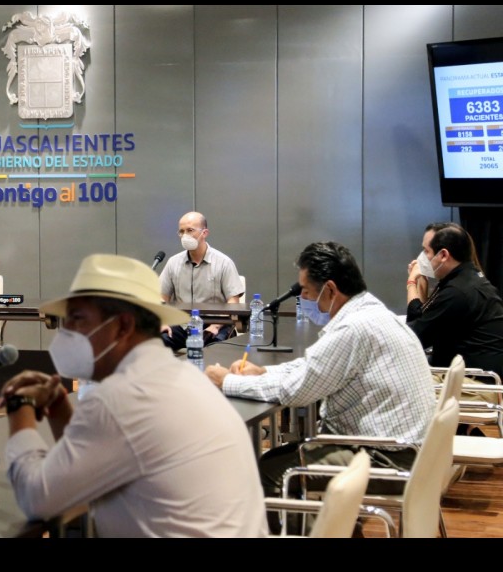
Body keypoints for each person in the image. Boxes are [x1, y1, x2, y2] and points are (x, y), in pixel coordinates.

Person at [0, 254, 267, 538]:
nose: (65, 332)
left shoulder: (121, 397)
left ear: (123, 326)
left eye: (77, 319)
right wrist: (58, 406)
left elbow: (37, 499)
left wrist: (20, 404)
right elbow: (86, 463)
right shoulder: (183, 377)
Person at [204, 241, 435, 534]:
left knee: (272, 471)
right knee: (281, 458)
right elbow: (312, 368)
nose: (302, 298)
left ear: (330, 289)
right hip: (407, 451)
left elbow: (297, 390)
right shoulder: (371, 312)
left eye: (306, 291)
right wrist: (262, 372)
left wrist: (227, 381)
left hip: (388, 459)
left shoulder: (352, 328)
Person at [406, 222, 503, 375]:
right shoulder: (465, 279)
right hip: (464, 373)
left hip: (474, 381)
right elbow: (424, 319)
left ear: (444, 255)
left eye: (426, 251)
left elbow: (414, 337)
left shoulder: (458, 291)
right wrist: (421, 283)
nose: (421, 257)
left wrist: (411, 283)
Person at [159, 211, 244, 350]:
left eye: (190, 230)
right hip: (183, 325)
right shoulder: (173, 262)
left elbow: (233, 302)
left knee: (215, 349)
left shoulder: (224, 263)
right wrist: (163, 321)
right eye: (181, 231)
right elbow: (162, 298)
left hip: (215, 324)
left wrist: (215, 326)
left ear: (204, 233)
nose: (185, 236)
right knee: (155, 341)